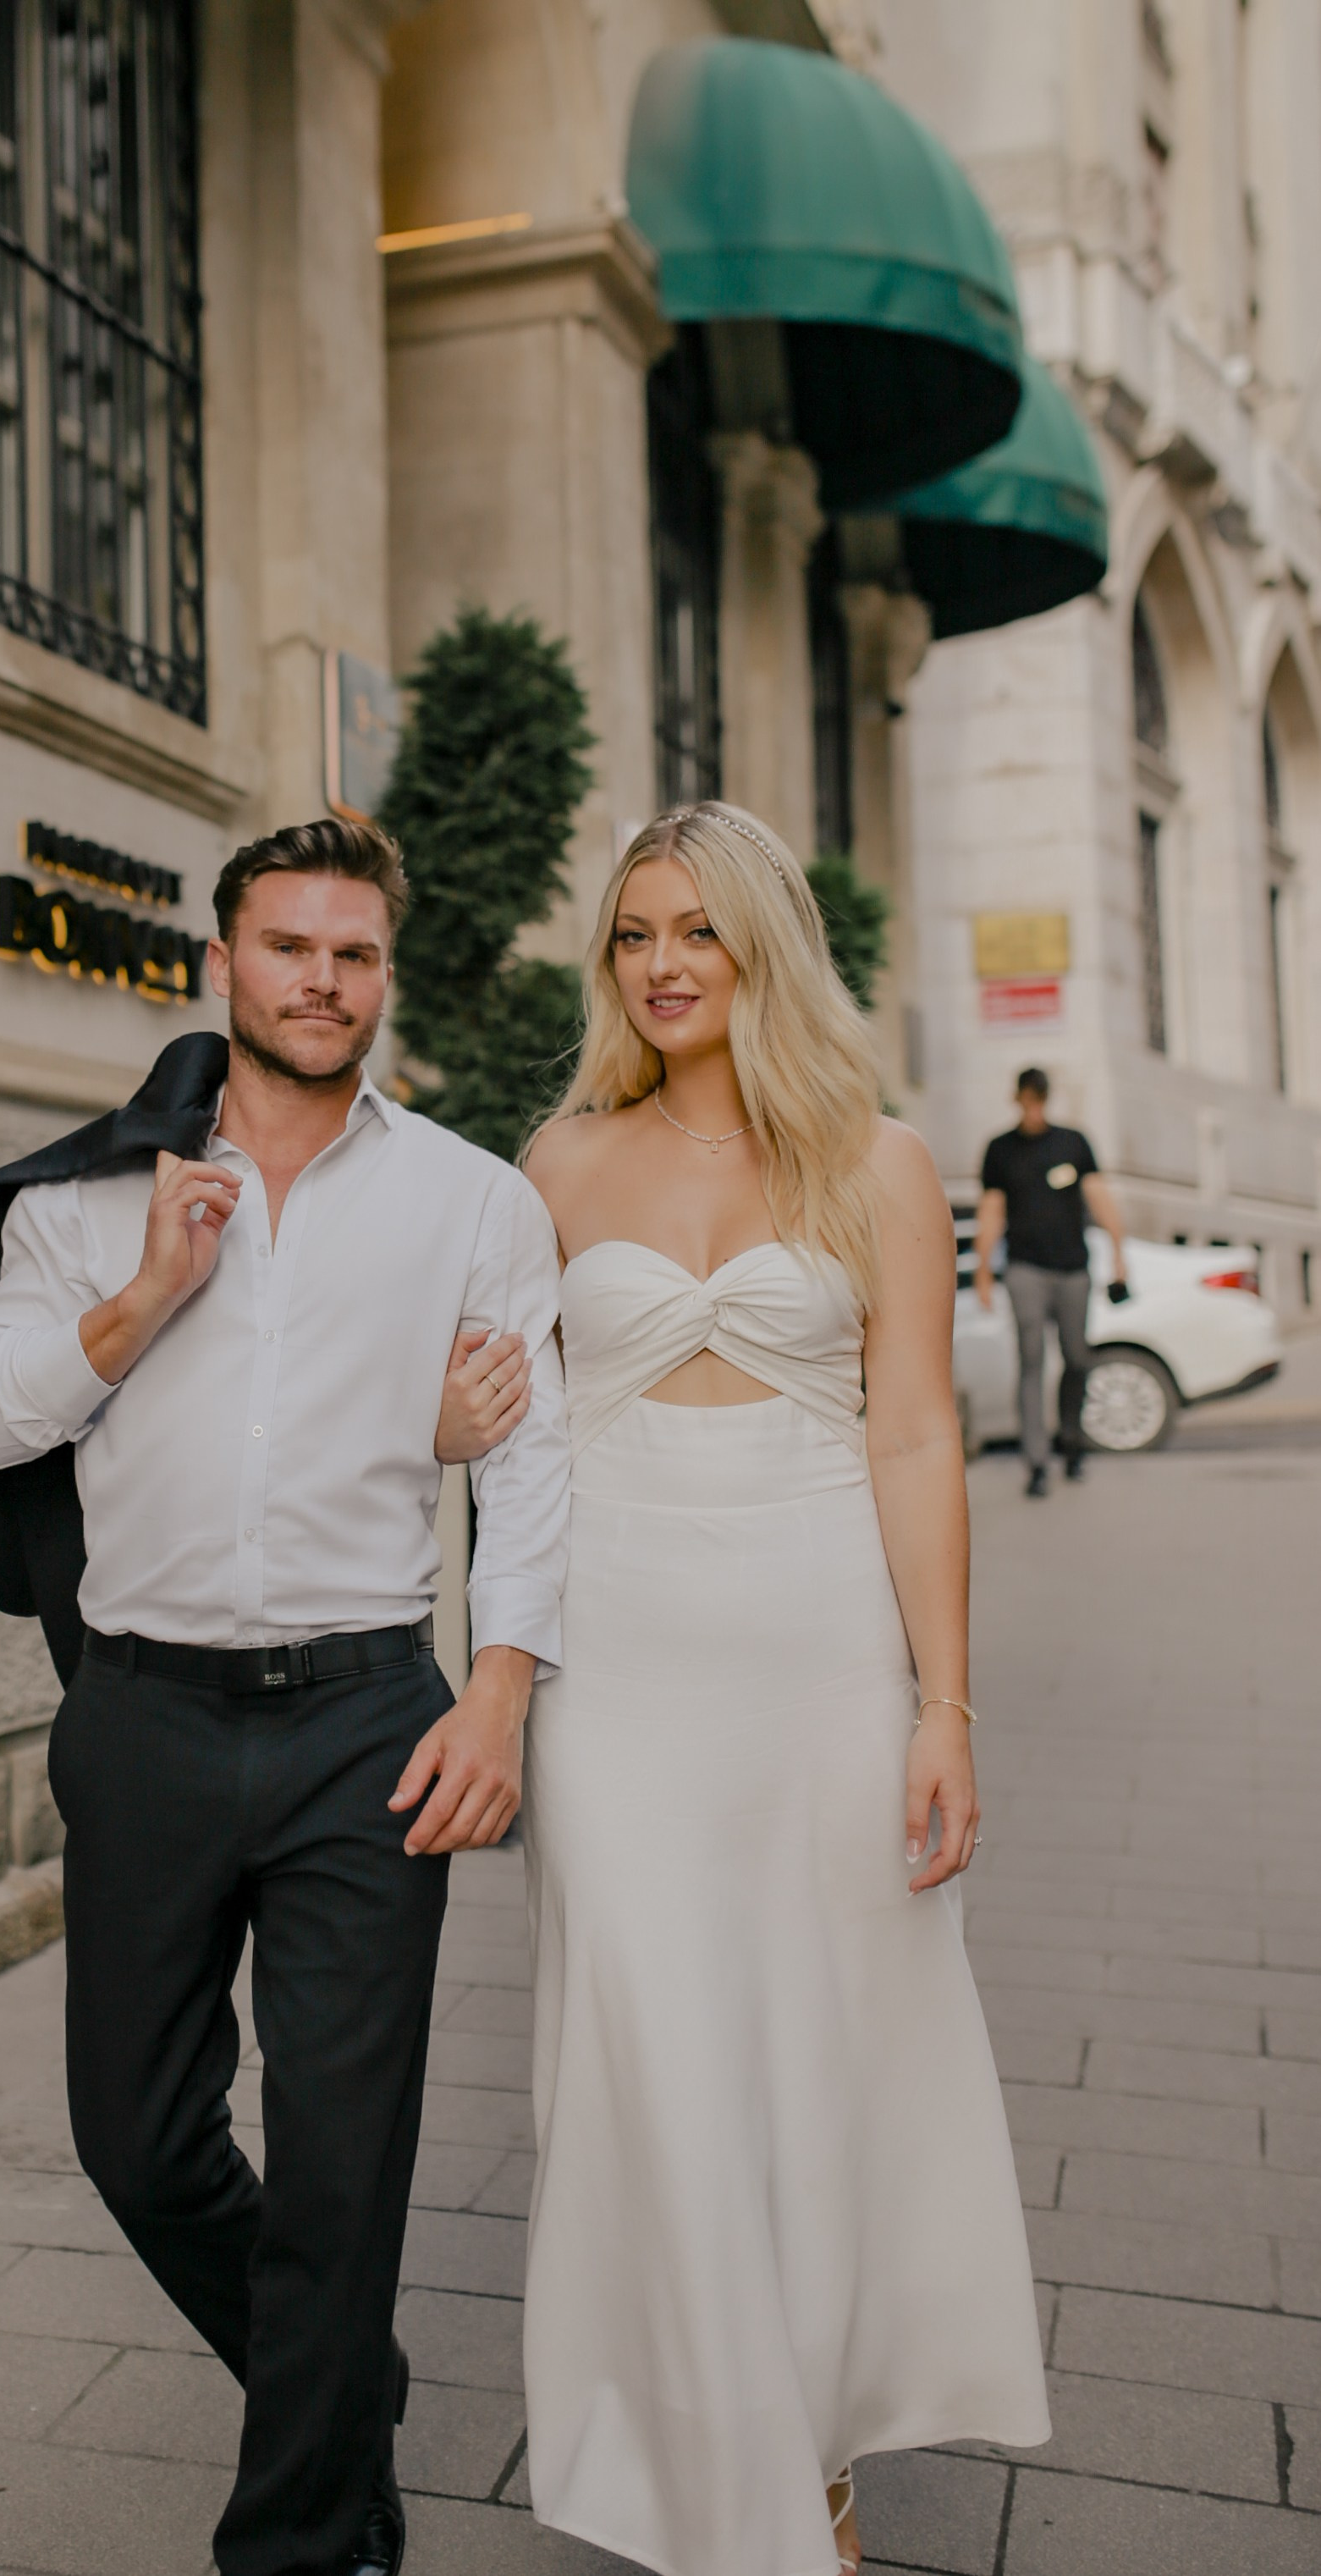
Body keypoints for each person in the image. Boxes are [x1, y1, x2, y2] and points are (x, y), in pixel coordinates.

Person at [0, 817, 570, 2576]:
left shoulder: (471, 1199)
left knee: (344, 2156)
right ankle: (338, 2378)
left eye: (353, 953)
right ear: (222, 964)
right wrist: (148, 1291)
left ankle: (304, 2529)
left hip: (367, 1719)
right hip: (141, 1712)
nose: (321, 980)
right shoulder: (87, 1199)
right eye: (288, 946)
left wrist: (499, 1694)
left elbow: (530, 1463)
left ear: (384, 974)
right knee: (136, 2141)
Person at [513, 803, 1049, 2576]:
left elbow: (913, 1435)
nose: (661, 964)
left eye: (697, 930)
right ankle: (712, 2458)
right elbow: (504, 1437)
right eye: (632, 934)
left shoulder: (875, 1161)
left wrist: (941, 1707)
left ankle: (802, 2448)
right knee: (649, 2055)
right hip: (614, 1663)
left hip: (819, 1651)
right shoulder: (557, 1161)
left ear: (763, 945)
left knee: (814, 2054)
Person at [976, 1067, 1127, 1496]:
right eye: (1027, 1101)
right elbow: (991, 1210)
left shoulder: (1073, 1142)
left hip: (1073, 1268)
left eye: (1039, 1101)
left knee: (1077, 1358)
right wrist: (984, 1270)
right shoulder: (1000, 1150)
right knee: (1031, 1359)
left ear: (1047, 1099)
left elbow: (1098, 1196)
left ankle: (1073, 1442)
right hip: (1025, 1268)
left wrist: (1119, 1250)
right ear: (1017, 1100)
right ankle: (1037, 1461)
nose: (1033, 1109)